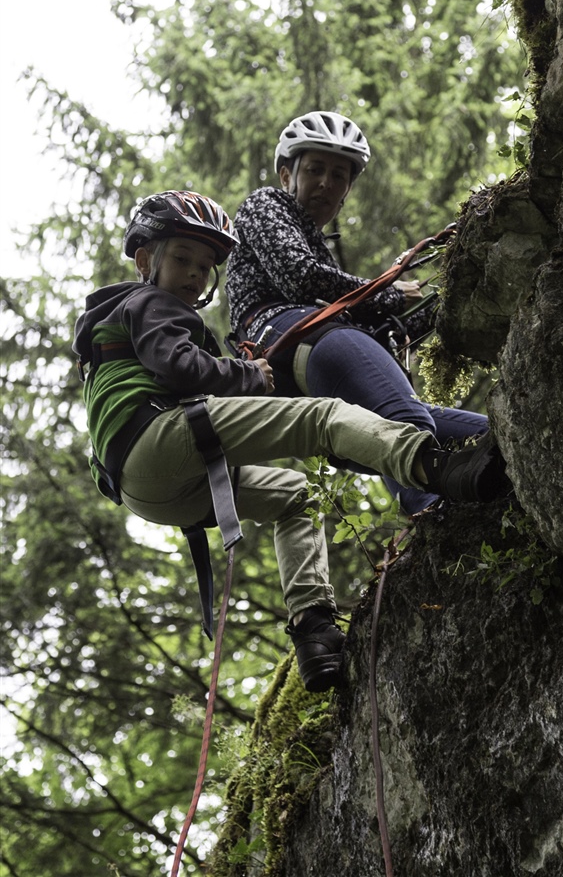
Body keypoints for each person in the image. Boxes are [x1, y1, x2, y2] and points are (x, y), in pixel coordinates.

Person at [73, 191, 505, 692]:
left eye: (205, 266)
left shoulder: (115, 327)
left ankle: (314, 631)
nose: (194, 274)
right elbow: (178, 367)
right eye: (182, 259)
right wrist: (249, 374)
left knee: (296, 496)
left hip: (146, 490)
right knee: (324, 417)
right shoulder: (149, 302)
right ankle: (439, 468)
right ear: (146, 261)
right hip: (161, 434)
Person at [225, 110, 495, 515]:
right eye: (315, 169)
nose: (326, 183)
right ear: (286, 175)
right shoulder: (266, 204)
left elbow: (387, 327)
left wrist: (447, 302)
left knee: (490, 437)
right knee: (407, 422)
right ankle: (431, 517)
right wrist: (388, 293)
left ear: (347, 190)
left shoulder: (320, 253)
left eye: (339, 176)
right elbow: (300, 276)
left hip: (309, 368)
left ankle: (469, 508)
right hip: (290, 335)